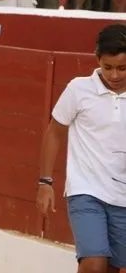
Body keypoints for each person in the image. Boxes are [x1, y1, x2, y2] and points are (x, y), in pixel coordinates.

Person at [37, 23, 126, 273]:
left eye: (122, 68)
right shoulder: (79, 89)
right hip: (86, 190)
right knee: (94, 264)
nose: (114, 75)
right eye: (108, 67)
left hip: (123, 195)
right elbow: (54, 132)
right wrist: (45, 182)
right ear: (97, 60)